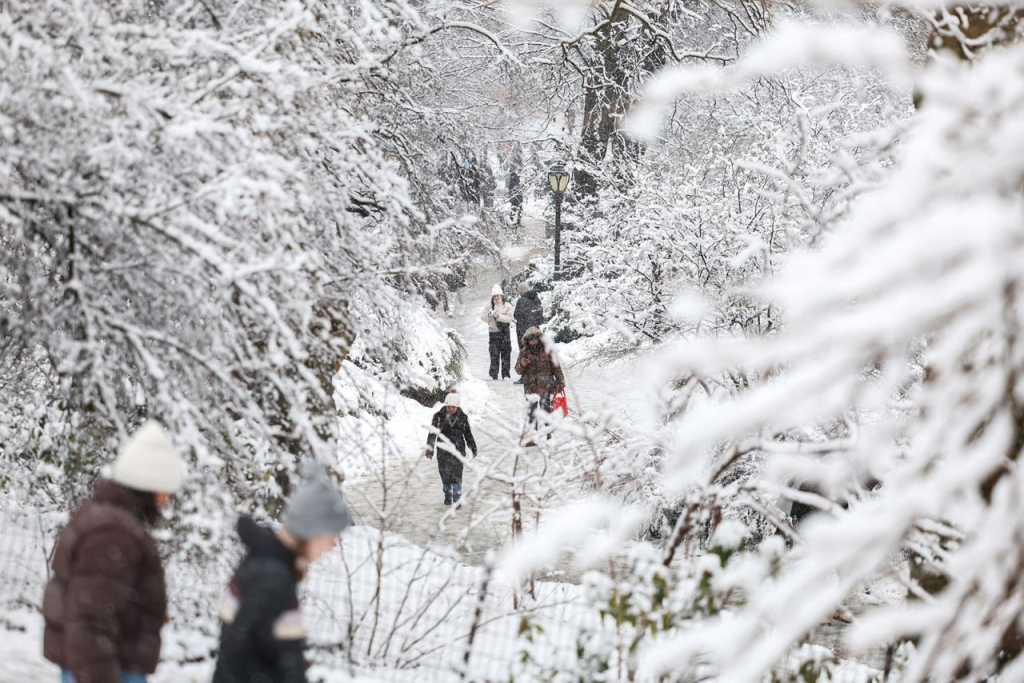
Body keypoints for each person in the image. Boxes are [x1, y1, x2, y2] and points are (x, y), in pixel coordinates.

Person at [43, 421, 186, 683]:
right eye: (164, 490)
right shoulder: (114, 534)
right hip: (105, 667)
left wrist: (141, 607)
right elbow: (90, 618)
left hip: (104, 660)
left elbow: (102, 596)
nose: (166, 500)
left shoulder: (109, 519)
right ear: (149, 485)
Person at [213, 461, 352, 683]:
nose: (334, 544)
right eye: (331, 534)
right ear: (312, 530)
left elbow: (269, 650)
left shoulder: (269, 565)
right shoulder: (271, 577)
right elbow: (237, 654)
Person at [424, 391, 478, 506]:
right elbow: (432, 434)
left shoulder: (463, 418)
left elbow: (467, 433)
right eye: (448, 406)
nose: (451, 409)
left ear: (457, 407)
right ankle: (447, 494)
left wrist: (472, 447)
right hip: (443, 451)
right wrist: (430, 450)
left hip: (458, 451)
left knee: (457, 475)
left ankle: (457, 497)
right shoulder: (438, 417)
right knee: (445, 475)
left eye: (453, 407)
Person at [514, 327, 566, 443]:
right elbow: (517, 370)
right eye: (530, 339)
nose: (533, 341)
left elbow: (556, 367)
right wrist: (522, 364)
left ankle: (549, 435)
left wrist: (561, 380)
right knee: (531, 413)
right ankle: (532, 438)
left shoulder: (548, 351)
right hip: (530, 387)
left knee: (546, 411)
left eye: (535, 338)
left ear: (539, 339)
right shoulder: (524, 352)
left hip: (545, 385)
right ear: (527, 340)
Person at [480, 284, 514, 380]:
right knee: (493, 353)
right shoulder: (489, 306)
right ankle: (493, 374)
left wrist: (499, 316)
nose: (496, 298)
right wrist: (489, 315)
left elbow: (509, 318)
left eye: (498, 295)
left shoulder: (507, 306)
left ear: (501, 295)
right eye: (494, 296)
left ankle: (506, 374)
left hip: (504, 332)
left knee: (506, 354)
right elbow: (483, 317)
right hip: (493, 332)